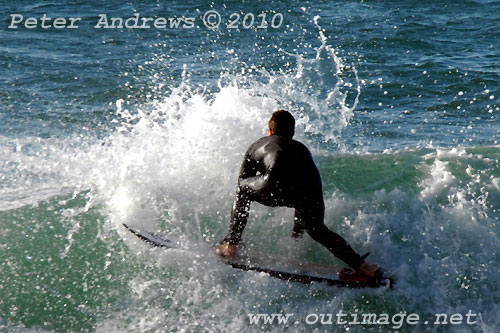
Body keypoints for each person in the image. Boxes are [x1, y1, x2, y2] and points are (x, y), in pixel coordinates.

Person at [214, 110, 380, 278]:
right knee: (317, 229)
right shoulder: (302, 150)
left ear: (270, 131)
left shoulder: (258, 145)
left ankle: (231, 243)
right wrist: (306, 226)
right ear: (292, 133)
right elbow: (309, 186)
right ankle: (362, 266)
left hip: (271, 185)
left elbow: (244, 179)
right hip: (305, 190)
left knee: (242, 189)